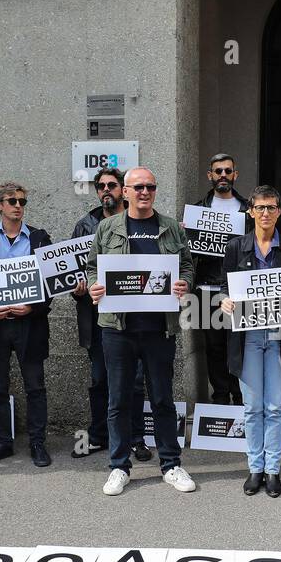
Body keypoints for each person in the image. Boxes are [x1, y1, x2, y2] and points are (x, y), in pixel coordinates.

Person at [87, 166, 197, 495]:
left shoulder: (171, 228)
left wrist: (185, 283)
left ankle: (171, 464)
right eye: (138, 187)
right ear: (125, 192)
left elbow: (188, 265)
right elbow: (93, 266)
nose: (144, 192)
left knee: (162, 398)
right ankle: (119, 467)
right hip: (118, 329)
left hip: (159, 328)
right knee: (118, 399)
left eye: (150, 186)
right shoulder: (107, 228)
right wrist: (94, 285)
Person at [219, 186, 281, 497]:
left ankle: (273, 470)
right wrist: (224, 301)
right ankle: (255, 468)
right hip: (248, 337)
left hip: (280, 337)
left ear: (279, 212)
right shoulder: (236, 247)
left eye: (272, 208)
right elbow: (224, 287)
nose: (266, 213)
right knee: (252, 408)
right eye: (260, 207)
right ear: (250, 211)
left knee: (275, 407)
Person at [0, 181, 54, 468]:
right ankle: (2, 443)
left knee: (35, 387)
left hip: (29, 325)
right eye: (11, 200)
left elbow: (51, 283)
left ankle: (38, 443)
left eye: (22, 201)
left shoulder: (40, 238)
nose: (18, 205)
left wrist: (32, 306)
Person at [70, 168, 150, 461]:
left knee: (135, 381)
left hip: (135, 317)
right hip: (97, 320)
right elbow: (75, 271)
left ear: (123, 190)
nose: (106, 190)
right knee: (100, 380)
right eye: (101, 186)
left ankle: (136, 439)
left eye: (112, 185)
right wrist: (79, 288)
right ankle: (100, 435)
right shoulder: (84, 226)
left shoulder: (140, 222)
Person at [192, 153, 249, 406]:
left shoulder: (249, 210)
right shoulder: (198, 210)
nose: (223, 175)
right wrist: (188, 235)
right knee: (213, 346)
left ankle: (240, 395)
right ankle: (220, 397)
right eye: (218, 171)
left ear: (235, 175)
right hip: (207, 287)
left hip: (240, 288)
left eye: (228, 171)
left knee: (238, 345)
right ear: (210, 176)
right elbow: (189, 253)